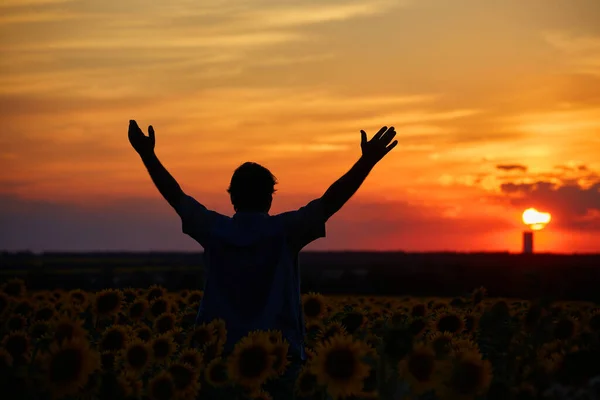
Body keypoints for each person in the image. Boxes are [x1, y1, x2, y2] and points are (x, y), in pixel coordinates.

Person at [128, 119, 397, 397]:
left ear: (232, 198)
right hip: (280, 361)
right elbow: (330, 201)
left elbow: (176, 198)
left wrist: (147, 155)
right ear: (270, 198)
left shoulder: (214, 230)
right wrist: (367, 161)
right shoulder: (285, 231)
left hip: (221, 361)